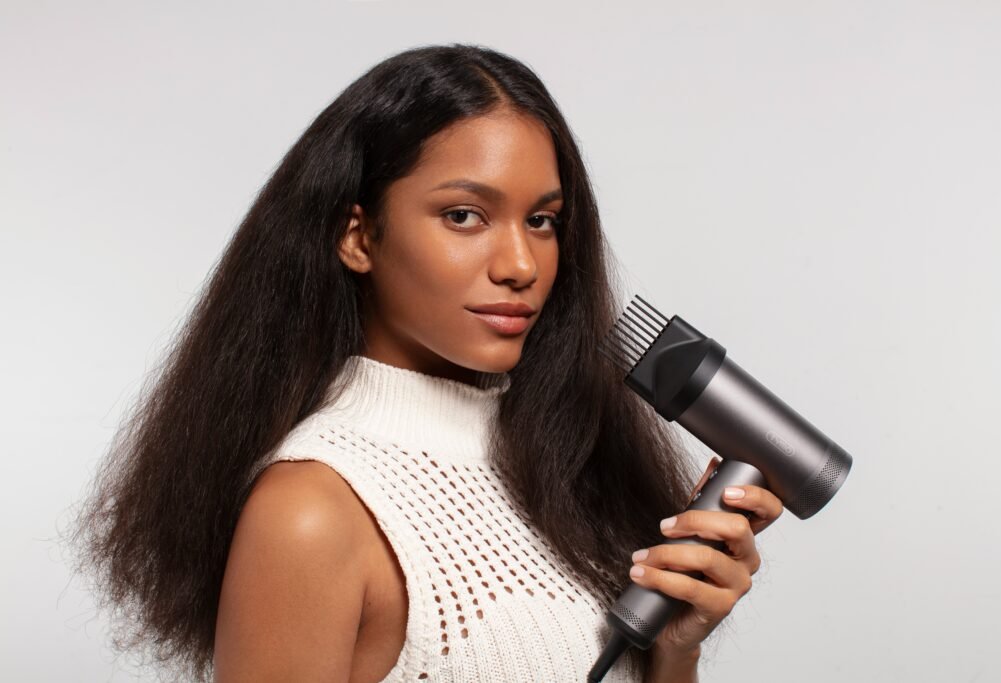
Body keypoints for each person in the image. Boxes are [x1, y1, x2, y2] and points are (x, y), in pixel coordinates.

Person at [67, 44, 784, 682]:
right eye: (464, 216)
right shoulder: (312, 513)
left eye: (542, 221)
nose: (520, 264)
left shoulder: (564, 467)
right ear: (358, 236)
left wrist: (676, 650)